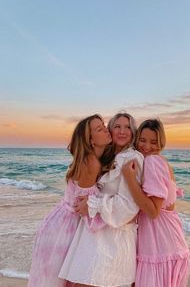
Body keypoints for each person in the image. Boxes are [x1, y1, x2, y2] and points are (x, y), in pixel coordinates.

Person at [59, 112, 144, 287]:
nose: (122, 131)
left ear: (133, 132)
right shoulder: (107, 156)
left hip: (114, 238)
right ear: (110, 130)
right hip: (95, 232)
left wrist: (92, 204)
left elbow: (128, 206)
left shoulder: (133, 159)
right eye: (117, 127)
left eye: (127, 127)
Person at [27, 114, 112, 287]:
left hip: (58, 223)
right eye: (99, 129)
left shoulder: (92, 159)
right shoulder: (91, 163)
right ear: (90, 140)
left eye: (103, 125)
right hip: (66, 230)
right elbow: (86, 208)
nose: (106, 129)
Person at [122, 119, 190, 287]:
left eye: (153, 142)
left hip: (160, 248)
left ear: (161, 142)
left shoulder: (153, 162)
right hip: (165, 245)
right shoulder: (161, 163)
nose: (147, 146)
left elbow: (153, 212)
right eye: (142, 140)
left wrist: (129, 179)